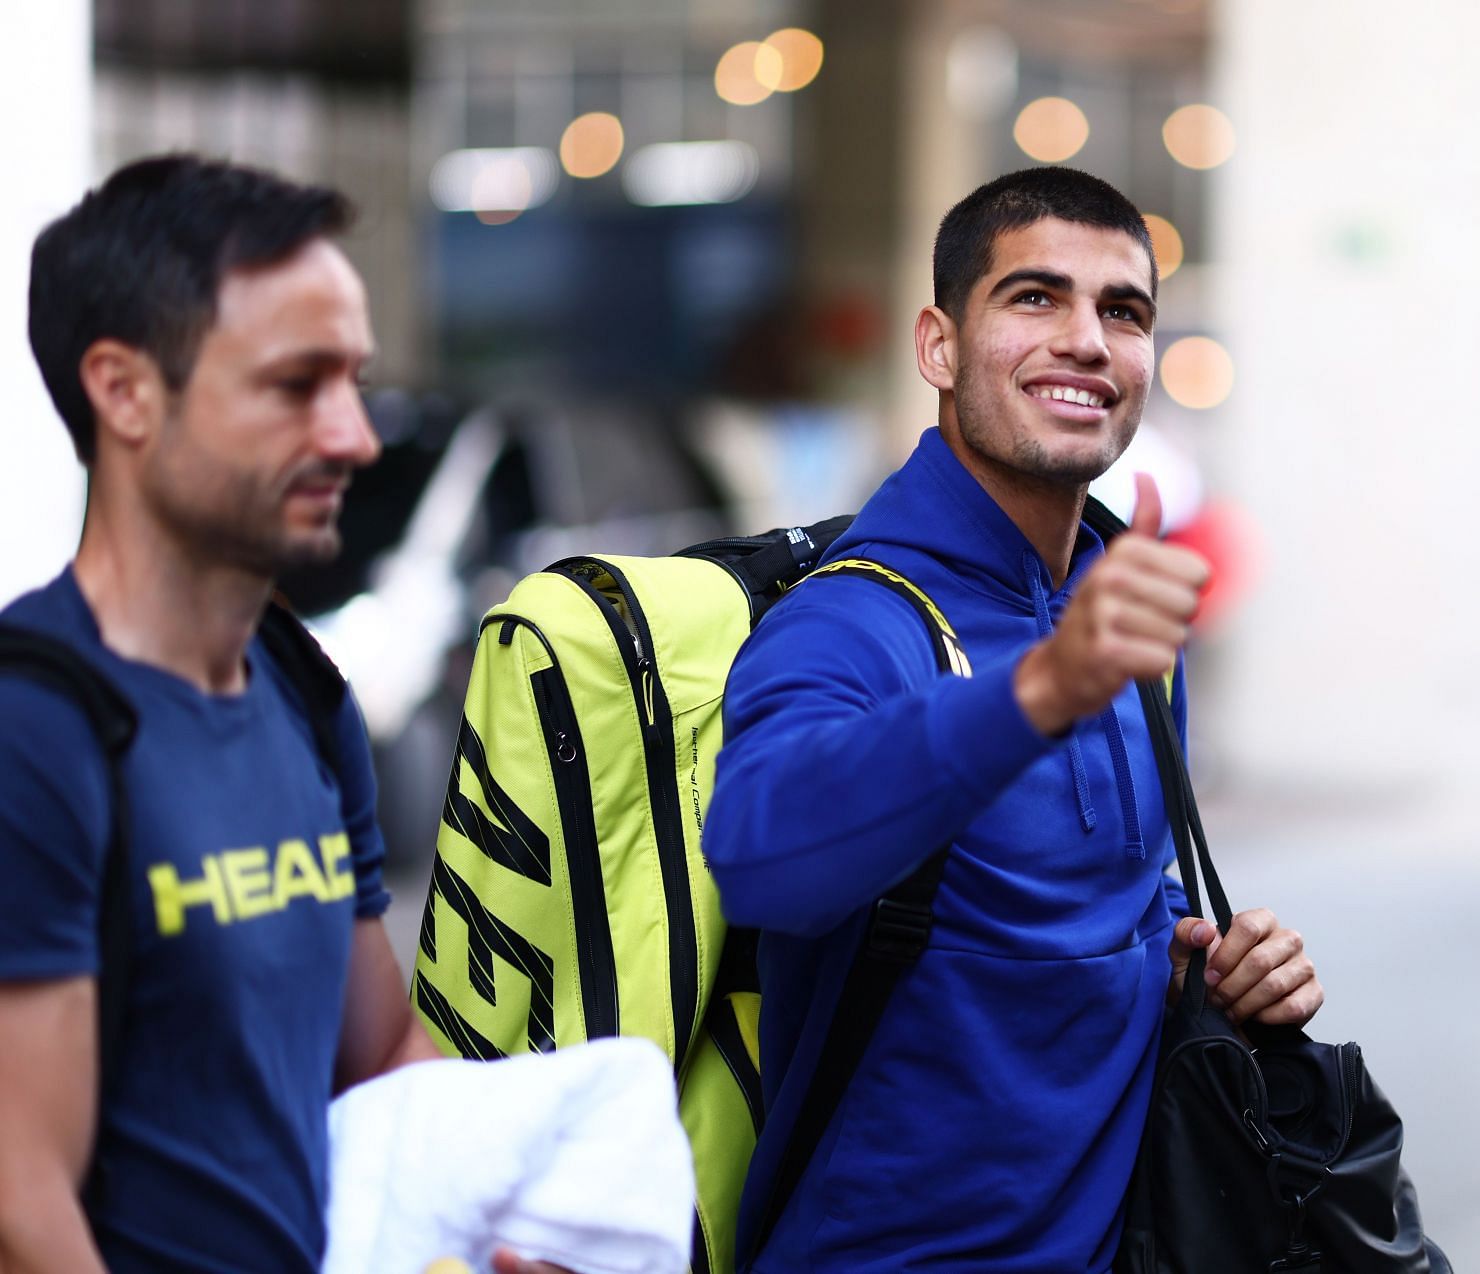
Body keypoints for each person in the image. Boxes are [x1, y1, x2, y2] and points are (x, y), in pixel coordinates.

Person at [706, 166, 1326, 1270]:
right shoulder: (853, 619)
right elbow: (760, 858)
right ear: (940, 346)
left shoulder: (1123, 607)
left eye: (1122, 310)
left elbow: (1125, 896)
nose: (1086, 338)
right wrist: (1040, 688)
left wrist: (1214, 960)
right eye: (1035, 297)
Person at [0, 156, 552, 1274]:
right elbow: (23, 1208)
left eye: (351, 379)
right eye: (297, 384)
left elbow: (378, 1049)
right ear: (124, 391)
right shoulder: (36, 725)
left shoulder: (300, 687)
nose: (353, 433)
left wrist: (516, 1207)